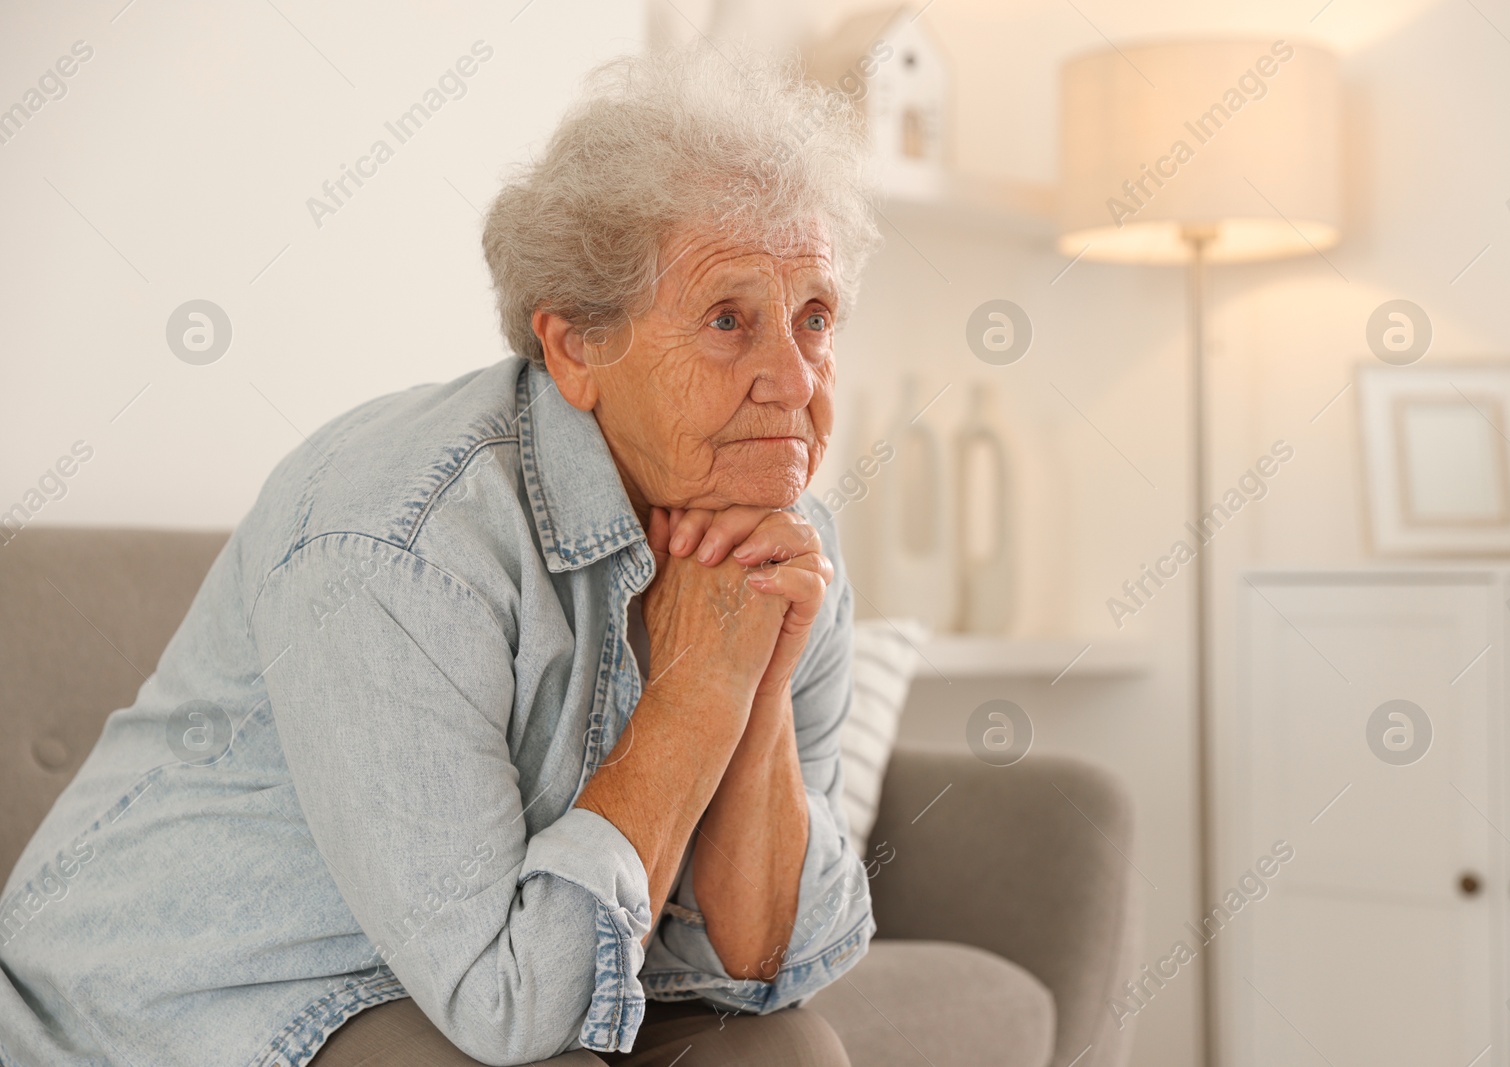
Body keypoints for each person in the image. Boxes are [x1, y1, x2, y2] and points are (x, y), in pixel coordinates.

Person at [0, 43, 881, 1067]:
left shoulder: (784, 538)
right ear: (576, 349)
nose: (792, 376)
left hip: (487, 969)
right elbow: (509, 1008)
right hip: (208, 1000)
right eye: (729, 319)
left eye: (814, 317)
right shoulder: (398, 537)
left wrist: (751, 676)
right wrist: (690, 698)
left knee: (790, 1050)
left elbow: (768, 956)